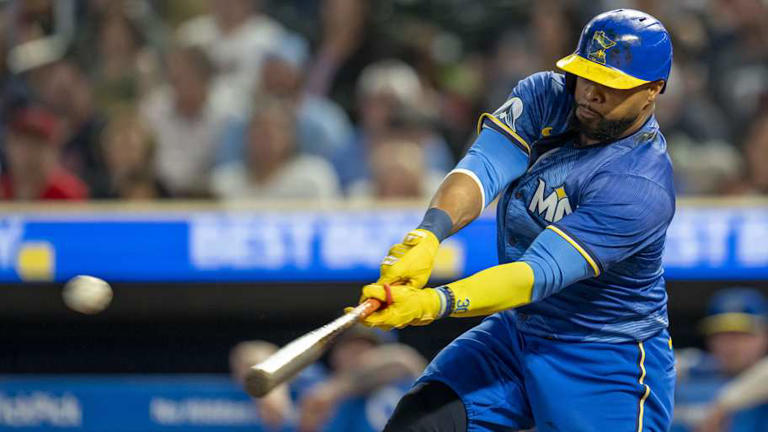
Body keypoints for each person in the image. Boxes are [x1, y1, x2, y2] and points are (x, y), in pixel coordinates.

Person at [350, 9, 677, 431]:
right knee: (420, 422)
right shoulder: (546, 95)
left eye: (611, 85)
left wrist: (435, 302)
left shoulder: (640, 183)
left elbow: (535, 274)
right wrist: (429, 236)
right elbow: (484, 166)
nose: (590, 93)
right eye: (586, 74)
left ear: (653, 90)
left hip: (603, 356)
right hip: (520, 331)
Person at [673, 288, 768, 432]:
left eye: (741, 335)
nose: (731, 344)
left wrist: (725, 403)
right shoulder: (691, 374)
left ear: (764, 336)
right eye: (721, 334)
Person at [1, 105, 88, 200]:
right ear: (9, 146)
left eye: (38, 146)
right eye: (24, 144)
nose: (31, 154)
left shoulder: (68, 194)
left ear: (55, 150)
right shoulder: (2, 189)